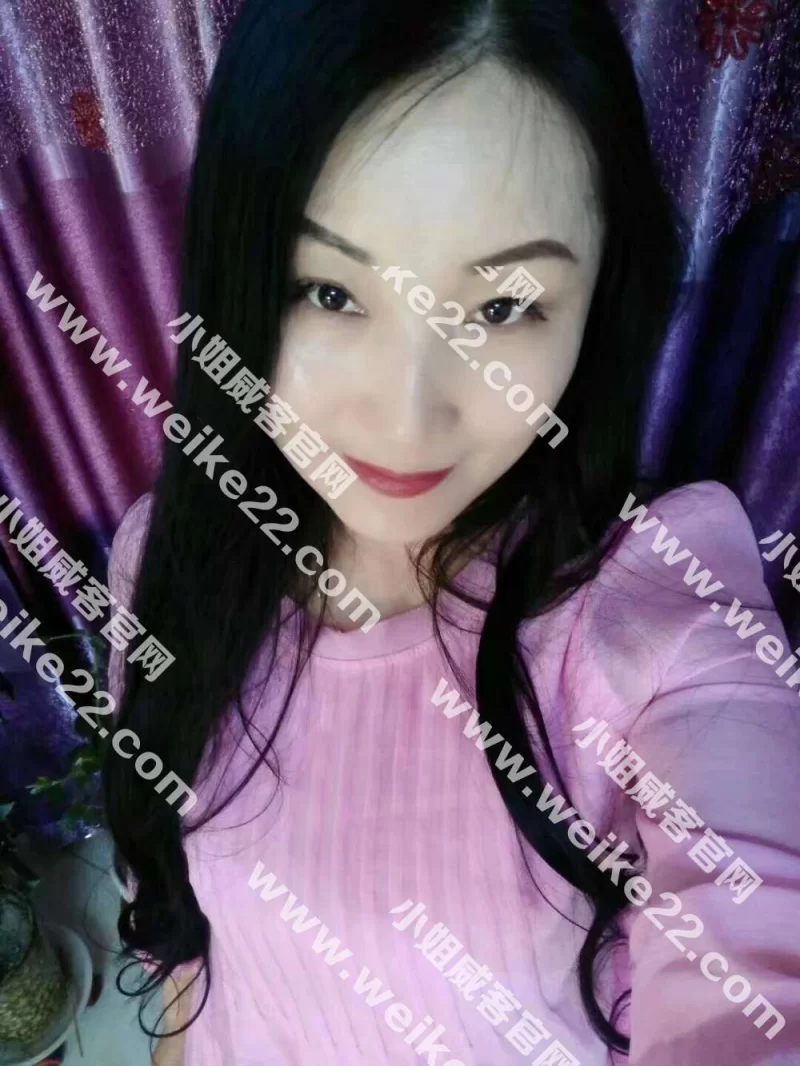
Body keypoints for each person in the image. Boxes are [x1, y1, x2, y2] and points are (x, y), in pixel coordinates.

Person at [102, 0, 800, 1063]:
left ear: (600, 295)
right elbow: (199, 949)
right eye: (328, 291)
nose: (405, 415)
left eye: (504, 306)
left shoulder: (655, 611)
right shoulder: (163, 554)